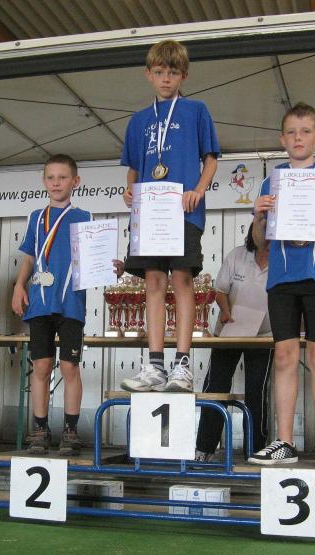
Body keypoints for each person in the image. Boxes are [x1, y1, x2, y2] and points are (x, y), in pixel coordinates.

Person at [249, 102, 315, 468]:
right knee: (284, 356)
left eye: (305, 132)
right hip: (281, 278)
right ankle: (284, 441)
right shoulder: (270, 181)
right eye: (292, 132)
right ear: (282, 139)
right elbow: (259, 241)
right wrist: (259, 216)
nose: (298, 138)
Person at [119, 39, 220, 393]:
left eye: (173, 73)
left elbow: (211, 159)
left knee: (182, 280)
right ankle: (155, 365)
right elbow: (134, 168)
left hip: (183, 210)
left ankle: (183, 365)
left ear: (183, 76)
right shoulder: (139, 121)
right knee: (153, 283)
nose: (166, 79)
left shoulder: (196, 111)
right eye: (160, 72)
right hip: (149, 214)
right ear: (148, 74)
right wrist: (129, 190)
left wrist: (199, 189)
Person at [12, 154, 92, 456]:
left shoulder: (84, 217)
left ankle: (70, 430)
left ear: (75, 182)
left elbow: (95, 257)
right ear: (44, 181)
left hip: (71, 302)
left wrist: (114, 266)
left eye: (62, 177)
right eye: (51, 178)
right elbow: (29, 257)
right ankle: (40, 429)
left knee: (70, 366)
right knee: (41, 365)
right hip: (40, 303)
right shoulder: (36, 217)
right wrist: (19, 285)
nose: (56, 183)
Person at [195, 221, 273, 462]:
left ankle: (255, 450)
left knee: (257, 390)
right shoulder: (237, 255)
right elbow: (220, 291)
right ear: (253, 233)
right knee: (216, 386)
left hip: (264, 336)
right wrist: (226, 311)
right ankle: (205, 448)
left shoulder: (283, 260)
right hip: (231, 329)